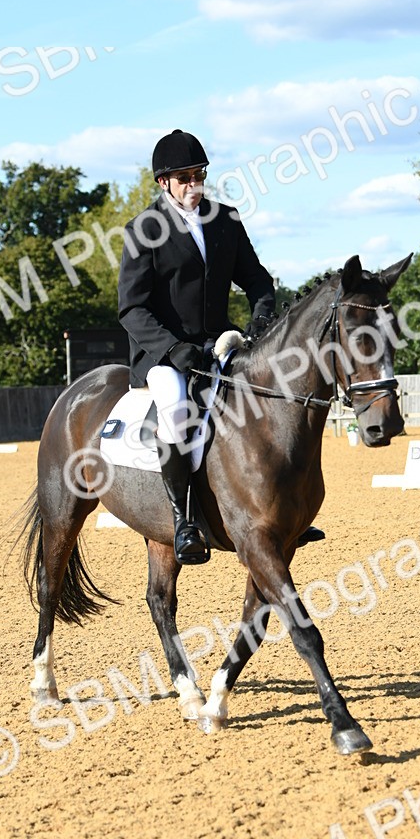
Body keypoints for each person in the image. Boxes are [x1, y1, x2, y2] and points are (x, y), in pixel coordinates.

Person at [118, 129, 276, 565]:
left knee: (261, 397)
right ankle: (183, 520)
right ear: (163, 182)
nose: (194, 185)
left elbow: (258, 280)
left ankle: (277, 509)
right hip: (163, 352)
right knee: (174, 408)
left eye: (199, 175)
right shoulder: (143, 231)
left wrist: (260, 319)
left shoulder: (226, 219)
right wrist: (172, 349)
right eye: (184, 177)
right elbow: (131, 309)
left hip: (217, 342)